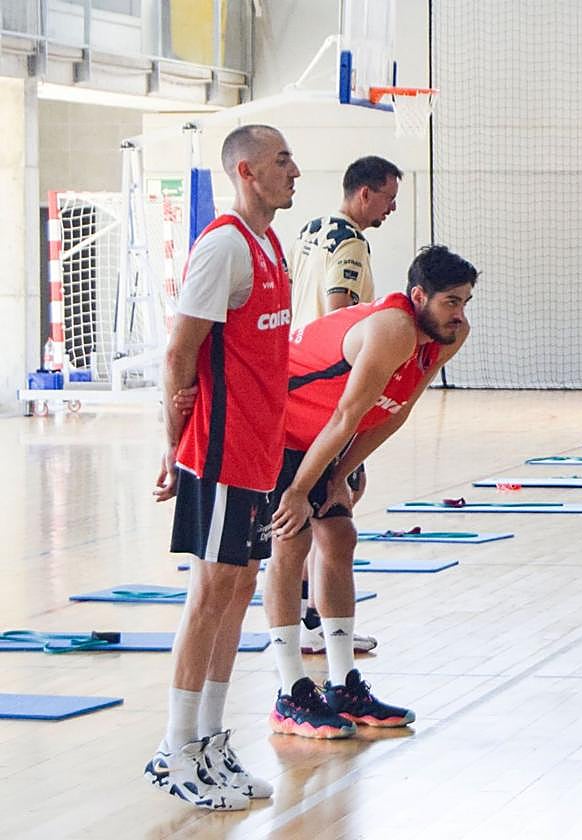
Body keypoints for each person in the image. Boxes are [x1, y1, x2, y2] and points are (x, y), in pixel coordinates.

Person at [144, 125, 299, 809]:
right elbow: (179, 355)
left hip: (259, 451)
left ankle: (208, 739)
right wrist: (174, 449)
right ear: (246, 171)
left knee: (239, 589)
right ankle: (175, 750)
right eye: (281, 160)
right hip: (219, 449)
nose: (294, 170)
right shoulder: (224, 245)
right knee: (208, 594)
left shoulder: (269, 243)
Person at [263, 245, 476, 738]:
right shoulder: (393, 330)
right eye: (450, 302)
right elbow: (345, 415)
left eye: (465, 301)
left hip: (324, 435)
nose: (460, 313)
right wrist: (299, 489)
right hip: (282, 423)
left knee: (339, 538)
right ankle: (289, 691)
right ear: (419, 295)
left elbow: (396, 411)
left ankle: (342, 685)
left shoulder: (450, 334)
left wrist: (342, 473)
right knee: (290, 541)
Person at [287, 155, 403, 657]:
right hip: (328, 386)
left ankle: (311, 616)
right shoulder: (351, 241)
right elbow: (340, 311)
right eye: (388, 199)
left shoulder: (311, 229)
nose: (391, 209)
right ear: (364, 193)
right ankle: (313, 617)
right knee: (333, 505)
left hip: (296, 376)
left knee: (330, 504)